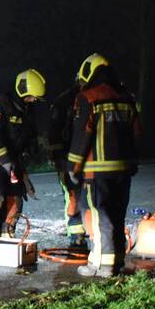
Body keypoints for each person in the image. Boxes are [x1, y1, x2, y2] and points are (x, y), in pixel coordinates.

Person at [67, 54, 141, 277]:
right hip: (123, 170)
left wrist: (73, 167)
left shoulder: (87, 98)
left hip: (96, 172)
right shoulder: (127, 98)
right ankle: (116, 262)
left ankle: (101, 264)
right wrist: (133, 162)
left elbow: (82, 136)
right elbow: (137, 134)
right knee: (117, 215)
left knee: (100, 216)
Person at [0, 69, 45, 248]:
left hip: (12, 162)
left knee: (15, 199)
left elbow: (27, 140)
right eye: (31, 97)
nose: (34, 100)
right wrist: (5, 161)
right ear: (23, 91)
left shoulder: (27, 111)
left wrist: (24, 175)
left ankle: (6, 236)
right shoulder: (1, 104)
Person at [47, 55, 110, 250]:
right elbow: (55, 132)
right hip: (69, 157)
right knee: (74, 196)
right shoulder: (65, 101)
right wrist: (58, 158)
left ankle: (94, 235)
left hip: (91, 159)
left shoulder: (94, 98)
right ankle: (77, 237)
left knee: (90, 198)